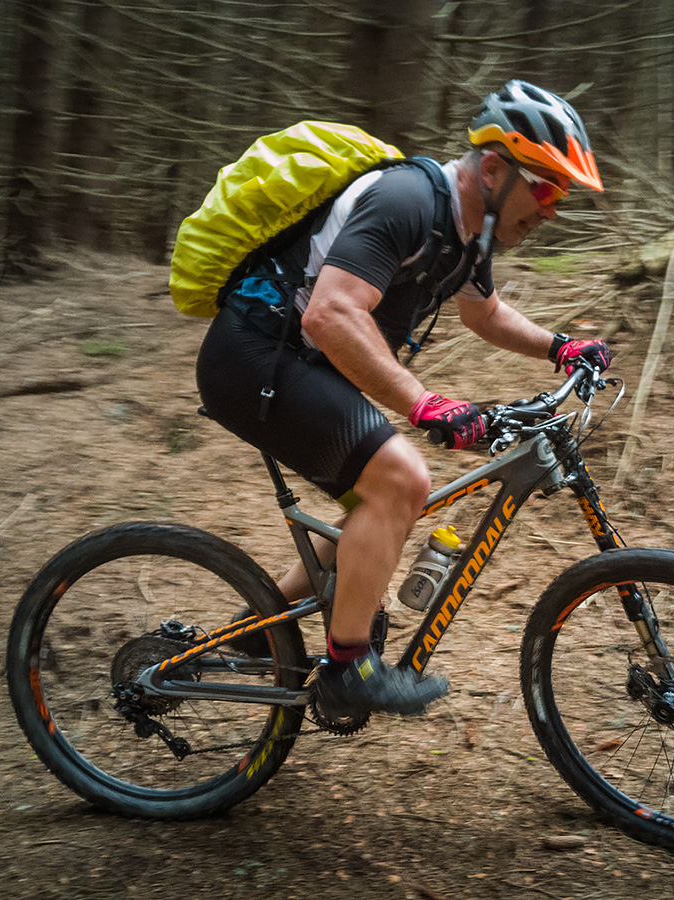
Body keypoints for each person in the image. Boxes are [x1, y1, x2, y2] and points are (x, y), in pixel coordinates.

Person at [196, 80, 612, 719]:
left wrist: (560, 347)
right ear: (493, 169)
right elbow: (332, 313)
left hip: (299, 362)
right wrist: (424, 402)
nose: (551, 211)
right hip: (253, 356)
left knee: (389, 499)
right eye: (546, 188)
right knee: (400, 479)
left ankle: (260, 628)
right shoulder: (408, 201)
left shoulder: (468, 234)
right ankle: (348, 668)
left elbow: (484, 313)